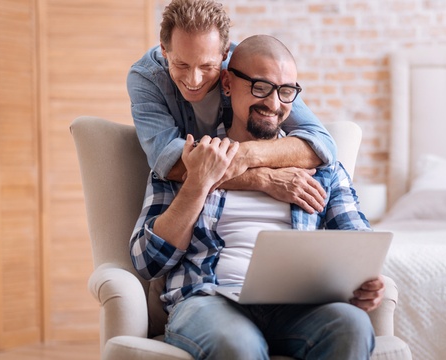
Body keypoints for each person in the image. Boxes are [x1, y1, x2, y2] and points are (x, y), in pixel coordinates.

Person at [130, 34, 385, 360]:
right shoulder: (188, 159)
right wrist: (199, 182)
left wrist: (366, 280)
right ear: (227, 84)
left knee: (352, 325)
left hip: (299, 307)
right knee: (238, 345)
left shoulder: (320, 167)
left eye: (286, 91)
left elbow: (358, 241)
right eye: (261, 87)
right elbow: (147, 261)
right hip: (209, 300)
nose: (274, 104)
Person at [127, 0, 335, 213]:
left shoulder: (247, 68)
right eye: (181, 65)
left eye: (207, 66)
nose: (194, 80)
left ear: (225, 54)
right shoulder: (146, 78)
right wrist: (263, 178)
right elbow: (169, 162)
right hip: (187, 201)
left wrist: (245, 155)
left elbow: (321, 145)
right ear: (164, 50)